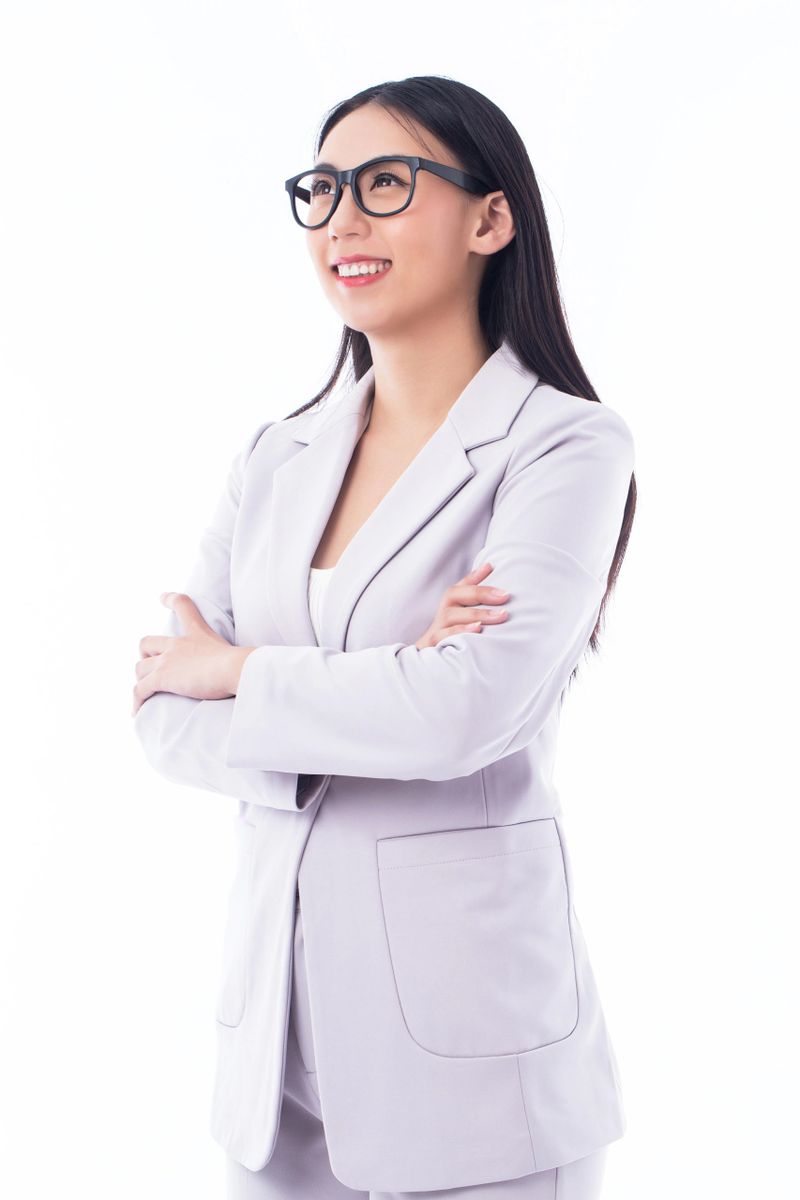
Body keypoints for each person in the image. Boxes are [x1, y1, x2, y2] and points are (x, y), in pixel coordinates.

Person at [132, 75, 637, 1200]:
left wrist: (242, 673)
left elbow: (465, 712)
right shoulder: (276, 455)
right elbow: (163, 718)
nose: (342, 219)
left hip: (472, 1066)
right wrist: (386, 684)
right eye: (322, 189)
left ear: (488, 219)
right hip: (275, 1056)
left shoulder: (561, 447)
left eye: (386, 183)